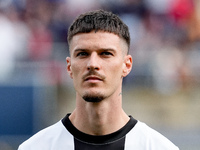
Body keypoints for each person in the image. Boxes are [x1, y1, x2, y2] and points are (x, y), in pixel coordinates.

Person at [18, 9, 179, 150]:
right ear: (69, 67)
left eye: (105, 54)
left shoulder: (158, 147)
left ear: (127, 65)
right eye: (82, 54)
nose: (93, 64)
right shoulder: (35, 147)